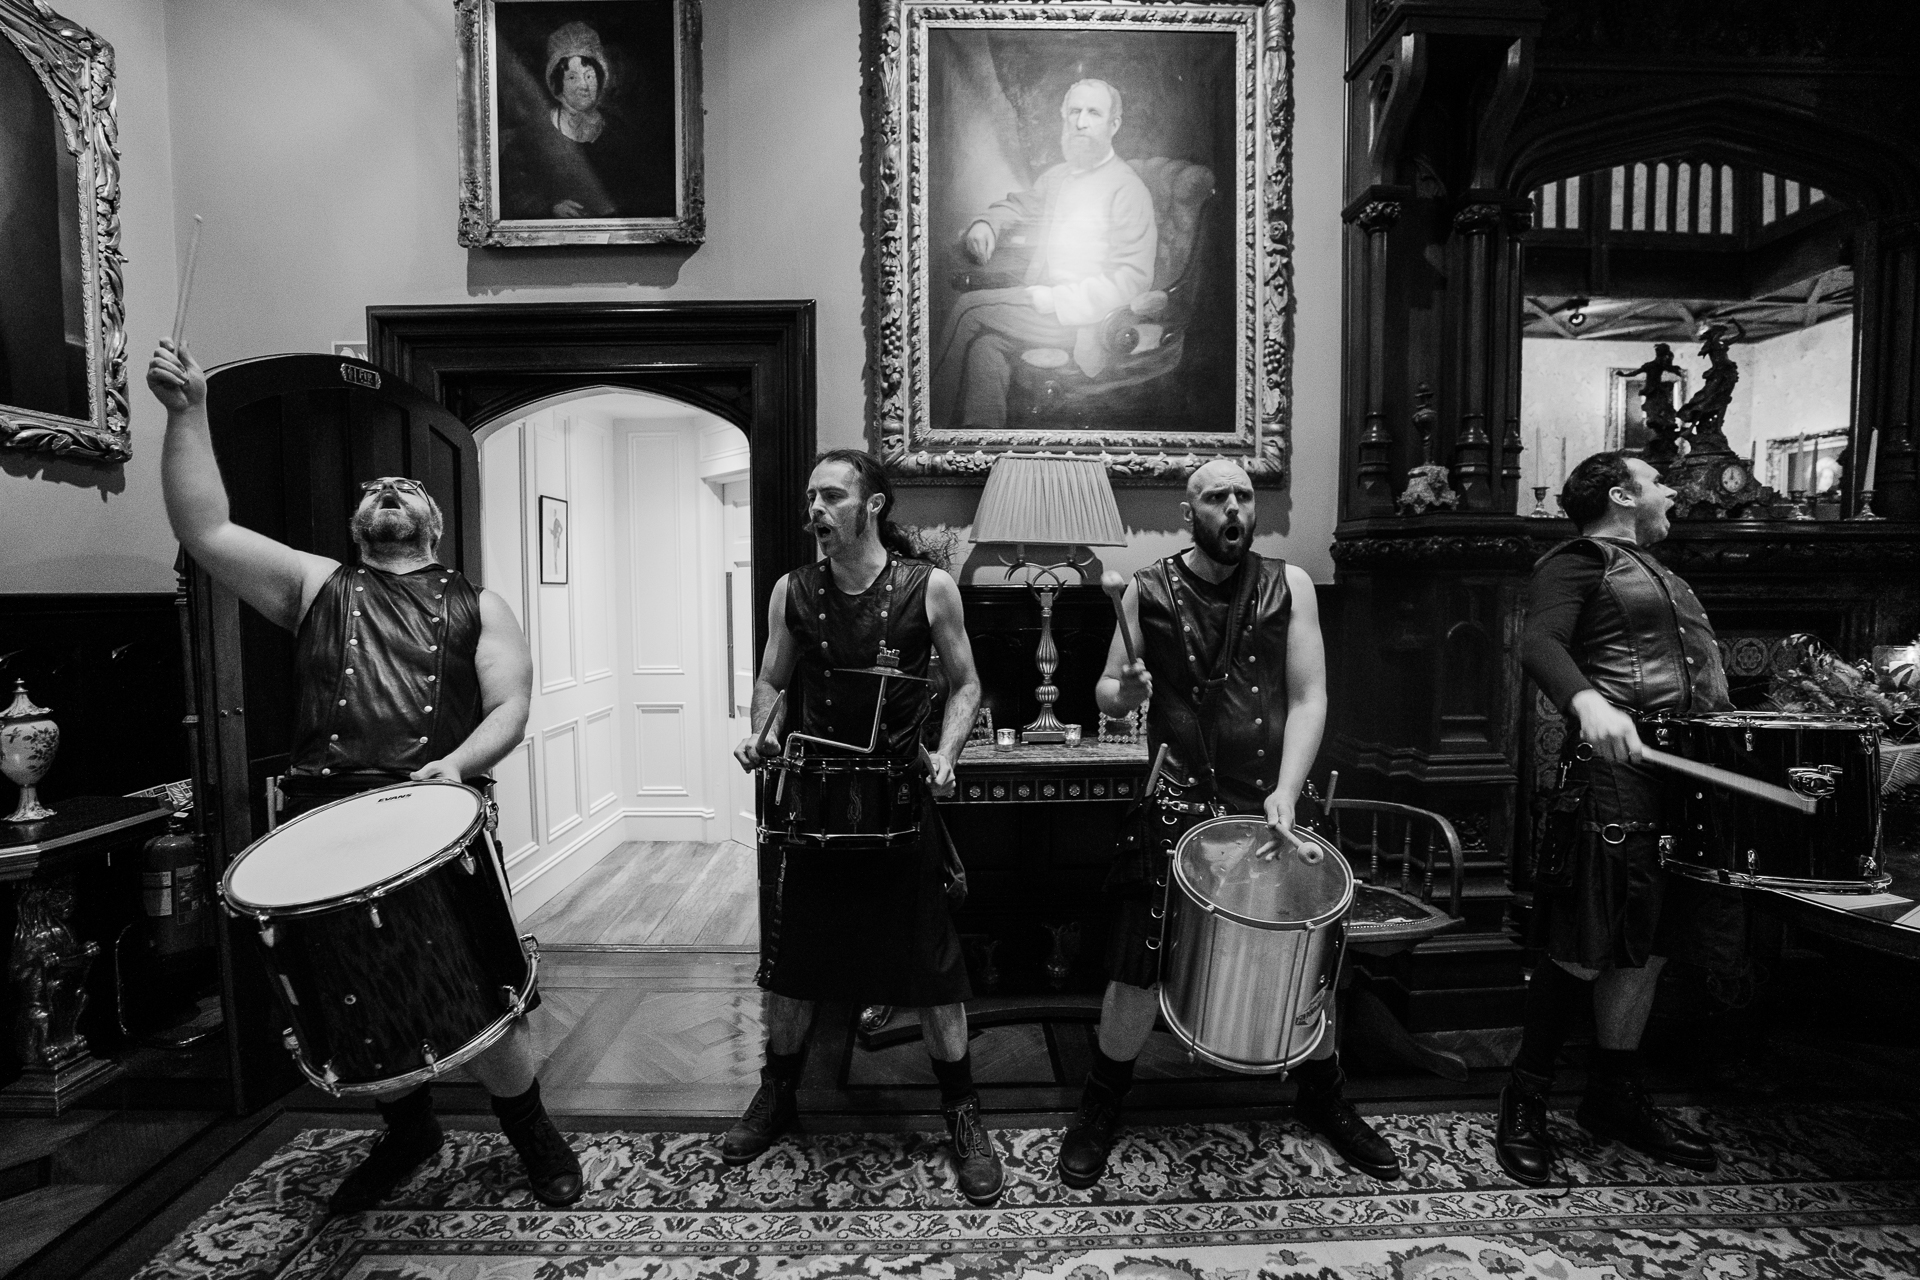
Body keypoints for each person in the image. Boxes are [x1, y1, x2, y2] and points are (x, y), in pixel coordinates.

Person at [146, 339, 583, 1214]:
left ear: (436, 524)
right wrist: (188, 412)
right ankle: (408, 1131)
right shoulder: (315, 586)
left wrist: (453, 766)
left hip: (437, 819)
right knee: (358, 1000)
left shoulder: (478, 603)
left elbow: (512, 709)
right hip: (325, 819)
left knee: (484, 989)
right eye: (374, 492)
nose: (389, 491)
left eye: (408, 489)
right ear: (355, 528)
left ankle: (533, 1132)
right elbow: (206, 530)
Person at [1056, 459, 1400, 1189]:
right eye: (1218, 497)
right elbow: (1109, 696)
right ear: (1191, 511)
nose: (1235, 508)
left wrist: (1287, 790)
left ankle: (1324, 1097)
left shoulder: (1292, 585)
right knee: (1136, 966)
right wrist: (1124, 688)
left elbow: (1309, 697)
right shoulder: (1144, 590)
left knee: (1310, 963)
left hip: (1272, 802)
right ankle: (1100, 1105)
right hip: (1177, 802)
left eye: (1245, 495)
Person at [725, 449, 1004, 1205]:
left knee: (932, 969)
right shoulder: (794, 590)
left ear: (872, 505)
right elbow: (770, 682)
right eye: (811, 496)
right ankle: (777, 1094)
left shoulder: (930, 587)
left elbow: (966, 682)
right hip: (813, 804)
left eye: (832, 496)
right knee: (794, 962)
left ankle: (962, 1113)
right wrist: (765, 733)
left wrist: (947, 754)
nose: (815, 509)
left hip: (900, 806)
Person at [1494, 451, 1726, 1187]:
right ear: (1622, 494)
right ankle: (1524, 1099)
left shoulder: (1666, 574)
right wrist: (1589, 703)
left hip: (1683, 778)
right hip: (1613, 778)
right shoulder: (1578, 558)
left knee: (1650, 944)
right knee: (1584, 943)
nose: (1672, 495)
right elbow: (1539, 643)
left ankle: (1612, 1094)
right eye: (1659, 482)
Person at [930, 78, 1157, 429]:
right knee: (985, 349)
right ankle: (978, 445)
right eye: (1074, 112)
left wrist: (1056, 298)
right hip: (1041, 308)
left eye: (1093, 113)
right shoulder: (1060, 176)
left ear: (1114, 125)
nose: (1081, 122)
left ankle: (931, 435)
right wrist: (987, 223)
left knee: (967, 310)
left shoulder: (1128, 189)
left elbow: (1133, 279)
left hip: (1084, 319)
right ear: (1064, 119)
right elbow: (1018, 206)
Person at [498, 20, 672, 220]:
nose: (584, 85)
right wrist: (551, 208)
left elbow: (644, 191)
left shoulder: (619, 130)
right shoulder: (534, 134)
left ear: (601, 78)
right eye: (572, 77)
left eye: (589, 76)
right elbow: (515, 194)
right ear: (557, 84)